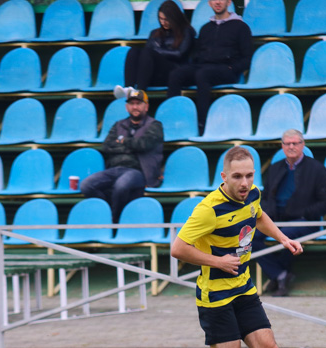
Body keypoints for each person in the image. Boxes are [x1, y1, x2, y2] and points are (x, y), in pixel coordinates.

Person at [147, 145, 319, 348]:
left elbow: (258, 215)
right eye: (237, 176)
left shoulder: (252, 194)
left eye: (250, 176)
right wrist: (217, 261)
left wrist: (283, 238)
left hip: (243, 288)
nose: (244, 183)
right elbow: (177, 249)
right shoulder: (208, 209)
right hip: (215, 297)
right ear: (224, 176)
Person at [253, 129, 326, 297]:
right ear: (282, 146)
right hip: (277, 219)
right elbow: (266, 197)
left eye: (295, 143)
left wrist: (304, 213)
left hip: (305, 221)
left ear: (302, 145)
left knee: (286, 236)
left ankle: (280, 278)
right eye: (287, 144)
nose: (291, 147)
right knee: (250, 236)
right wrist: (268, 215)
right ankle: (280, 275)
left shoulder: (317, 169)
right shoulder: (275, 168)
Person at [80, 88, 163, 223]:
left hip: (138, 171)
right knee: (86, 185)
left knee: (121, 186)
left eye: (139, 103)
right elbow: (106, 146)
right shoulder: (119, 125)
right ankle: (109, 210)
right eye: (132, 103)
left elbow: (144, 144)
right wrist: (132, 146)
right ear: (126, 107)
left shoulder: (155, 125)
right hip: (114, 169)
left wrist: (123, 141)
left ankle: (115, 219)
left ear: (146, 106)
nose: (135, 107)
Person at [166, 0, 252, 130]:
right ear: (209, 3)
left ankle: (202, 124)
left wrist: (233, 68)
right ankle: (174, 120)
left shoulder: (241, 27)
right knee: (176, 74)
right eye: (214, 0)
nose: (217, 2)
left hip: (226, 69)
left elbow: (247, 57)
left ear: (228, 2)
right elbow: (198, 55)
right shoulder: (205, 28)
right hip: (203, 66)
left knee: (203, 74)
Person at [117, 0, 195, 94]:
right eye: (161, 19)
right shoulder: (155, 33)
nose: (163, 22)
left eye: (166, 19)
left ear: (174, 18)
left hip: (175, 72)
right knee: (133, 51)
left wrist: (158, 51)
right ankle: (128, 88)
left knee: (148, 52)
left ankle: (140, 92)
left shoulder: (186, 31)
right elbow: (146, 58)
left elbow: (179, 54)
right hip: (155, 74)